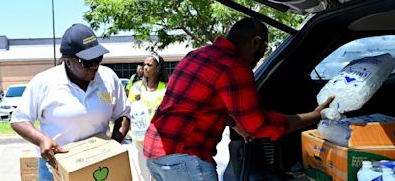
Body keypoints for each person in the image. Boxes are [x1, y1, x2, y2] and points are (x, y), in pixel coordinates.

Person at [143, 17, 334, 180]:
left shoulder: (198, 54)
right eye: (263, 50)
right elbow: (259, 126)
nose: (259, 58)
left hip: (155, 153)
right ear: (256, 43)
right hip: (184, 158)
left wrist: (234, 122)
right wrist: (315, 116)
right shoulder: (233, 66)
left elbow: (195, 105)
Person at [10, 23, 130, 181]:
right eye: (87, 61)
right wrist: (41, 140)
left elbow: (123, 115)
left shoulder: (108, 78)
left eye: (98, 58)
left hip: (100, 164)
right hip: (56, 167)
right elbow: (19, 120)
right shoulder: (45, 82)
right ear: (67, 61)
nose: (95, 65)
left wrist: (112, 148)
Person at [126, 53, 169, 181]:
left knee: (158, 174)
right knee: (141, 173)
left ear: (158, 68)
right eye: (144, 64)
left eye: (149, 65)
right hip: (139, 138)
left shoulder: (165, 88)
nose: (145, 67)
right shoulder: (136, 87)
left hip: (159, 138)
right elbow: (128, 109)